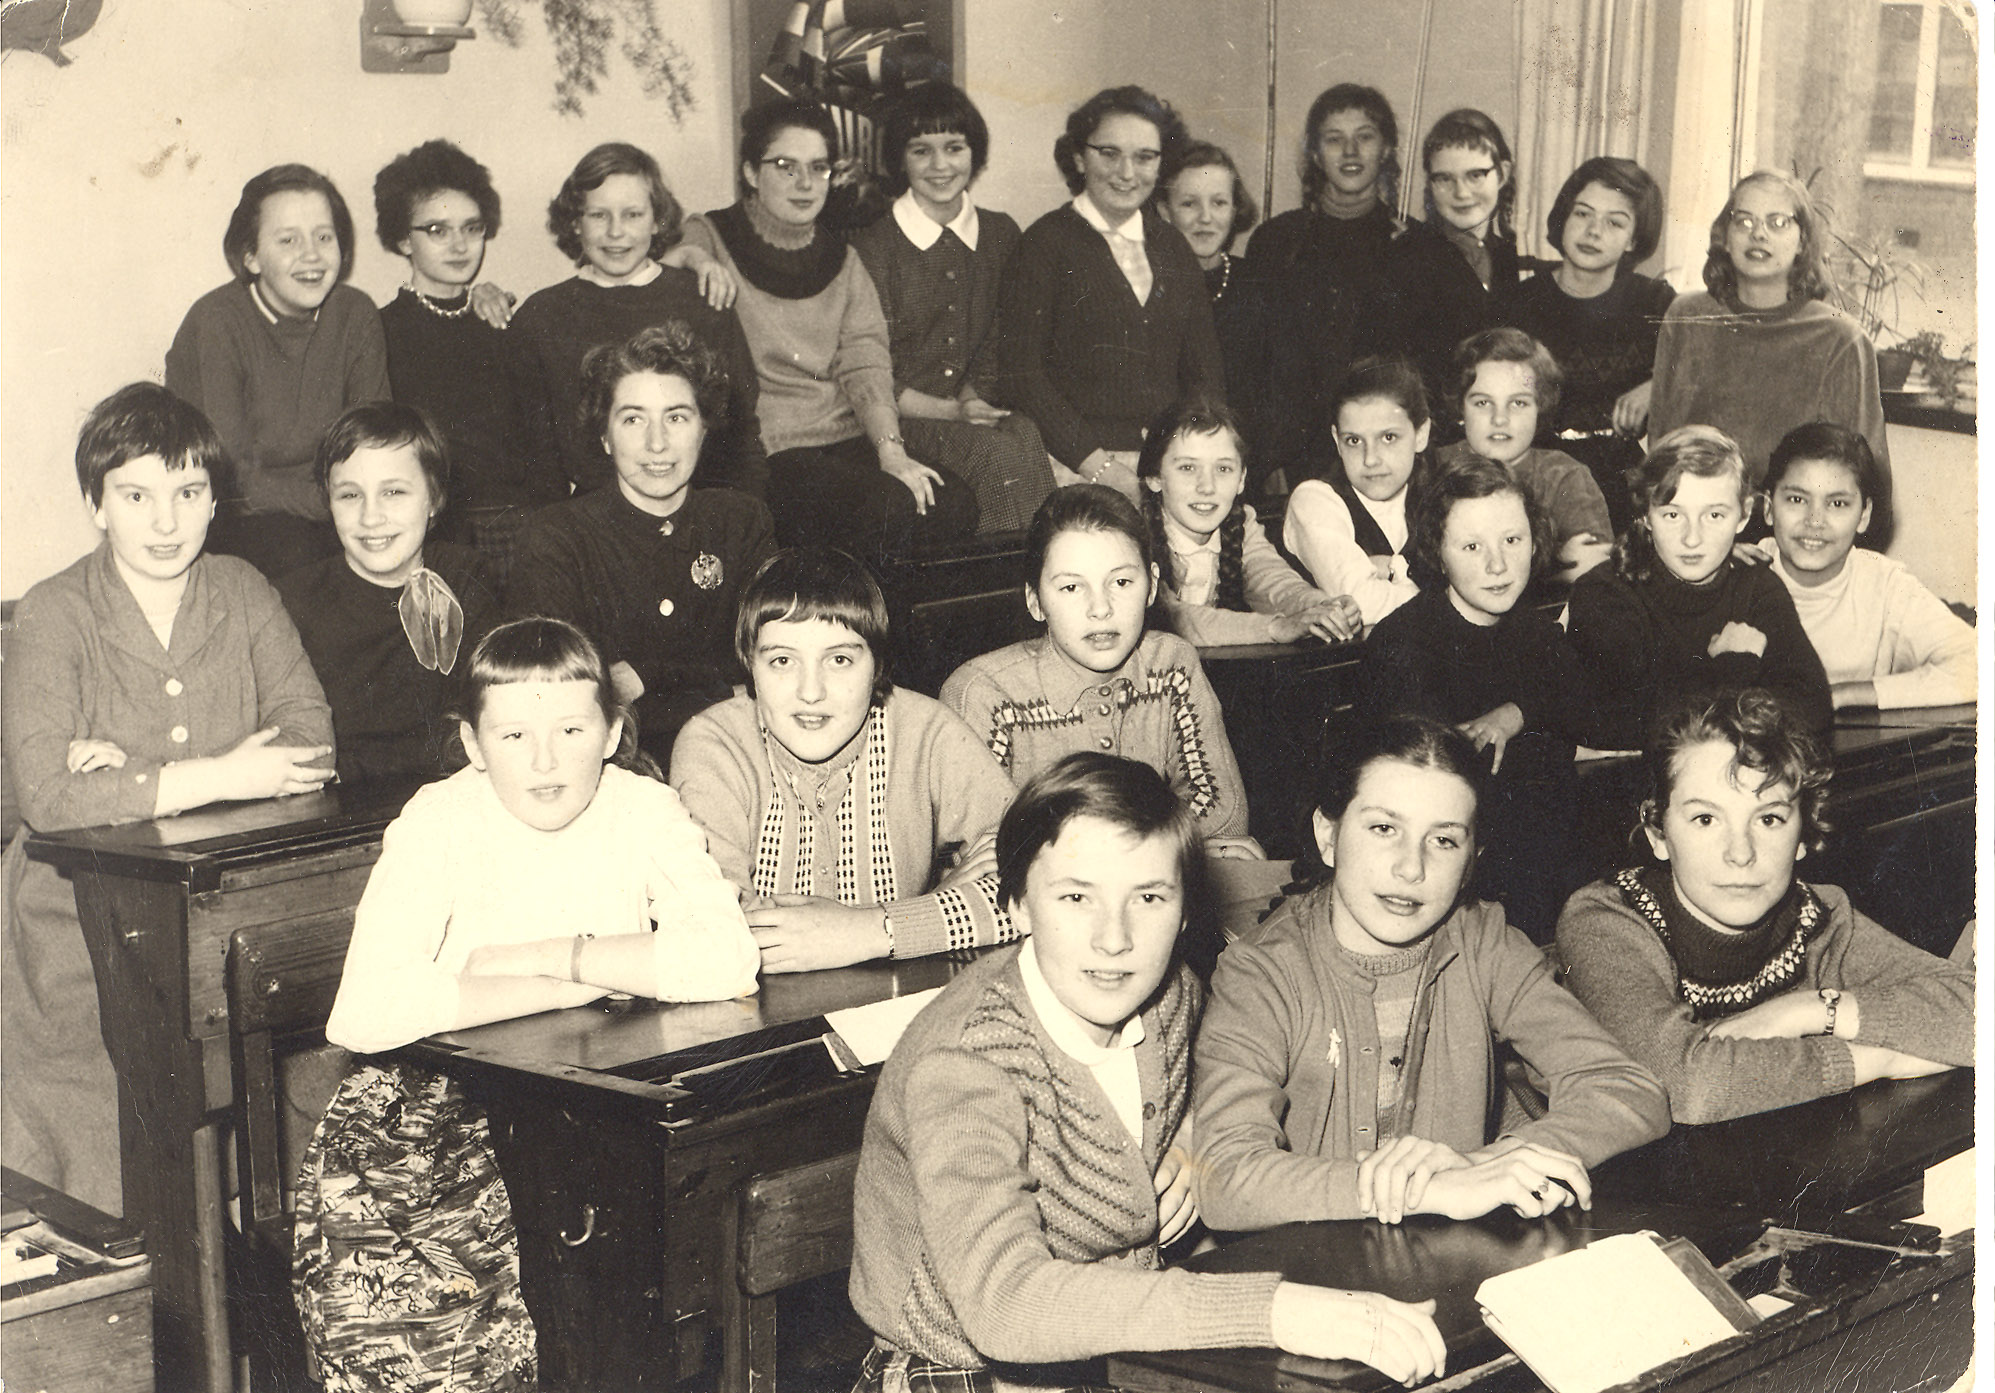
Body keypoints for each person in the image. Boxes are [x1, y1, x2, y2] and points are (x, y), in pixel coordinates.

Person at [846, 752, 1450, 1392]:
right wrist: (1274, 1310)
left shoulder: (1169, 997)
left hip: (1113, 1342)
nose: (1116, 939)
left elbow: (1197, 1092)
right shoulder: (967, 1062)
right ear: (1018, 905)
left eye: (1150, 897)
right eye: (1077, 896)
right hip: (961, 1365)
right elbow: (1006, 1304)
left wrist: (1191, 1140)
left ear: (1187, 910)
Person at [295, 616, 758, 1391]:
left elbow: (727, 958)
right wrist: (600, 976)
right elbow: (364, 1010)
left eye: (571, 728)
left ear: (610, 732)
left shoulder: (641, 806)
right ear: (473, 746)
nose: (544, 760)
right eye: (512, 737)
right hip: (428, 1109)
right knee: (432, 1326)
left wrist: (547, 958)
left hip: (584, 1101)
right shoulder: (439, 818)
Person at [2, 384, 333, 1215]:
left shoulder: (245, 588)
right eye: (136, 495)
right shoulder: (53, 611)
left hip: (227, 910)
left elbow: (310, 743)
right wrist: (224, 775)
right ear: (96, 506)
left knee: (292, 1090)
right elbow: (46, 797)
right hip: (76, 933)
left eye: (188, 493)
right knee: (108, 1151)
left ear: (214, 502)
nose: (164, 521)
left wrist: (124, 779)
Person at [1191, 715, 1670, 1231]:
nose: (1410, 868)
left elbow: (1628, 1088)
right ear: (1328, 836)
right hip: (1313, 1278)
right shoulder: (1262, 971)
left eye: (1443, 841)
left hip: (1446, 1260)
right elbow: (1224, 1178)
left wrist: (1491, 1163)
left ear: (1470, 862)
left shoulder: (1483, 941)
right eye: (1383, 829)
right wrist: (1428, 1189)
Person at [1555, 688, 1972, 1125]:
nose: (1741, 853)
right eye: (1705, 819)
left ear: (1802, 837)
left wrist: (1808, 1010)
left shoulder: (1821, 919)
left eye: (1769, 818)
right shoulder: (1604, 921)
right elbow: (1690, 1088)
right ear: (1659, 834)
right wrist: (1880, 1060)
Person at [670, 548, 1017, 973]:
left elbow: (1045, 882)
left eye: (840, 660)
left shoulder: (924, 729)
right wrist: (935, 910)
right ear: (749, 666)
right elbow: (715, 935)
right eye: (782, 660)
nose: (811, 691)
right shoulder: (715, 744)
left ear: (877, 668)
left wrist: (873, 930)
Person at [683, 99, 977, 557]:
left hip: (842, 437)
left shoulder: (842, 260)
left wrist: (891, 452)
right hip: (766, 450)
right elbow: (674, 249)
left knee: (953, 503)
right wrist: (697, 258)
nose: (805, 184)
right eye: (786, 166)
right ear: (748, 172)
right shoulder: (714, 235)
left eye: (818, 168)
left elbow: (867, 365)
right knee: (885, 509)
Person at [506, 323, 776, 767]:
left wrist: (643, 676)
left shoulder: (741, 522)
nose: (657, 443)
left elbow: (771, 667)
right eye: (633, 419)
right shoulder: (555, 537)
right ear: (604, 436)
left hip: (738, 757)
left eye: (677, 417)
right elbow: (567, 702)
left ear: (704, 429)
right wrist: (720, 688)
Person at [940, 485, 1259, 860]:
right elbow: (990, 852)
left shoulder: (1172, 664)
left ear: (1152, 585)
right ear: (1035, 601)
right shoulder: (983, 694)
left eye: (1121, 582)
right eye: (1072, 587)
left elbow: (1223, 817)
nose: (1101, 608)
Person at [1356, 458, 1596, 940]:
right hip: (1451, 872)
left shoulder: (1534, 630)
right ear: (1439, 554)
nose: (1497, 564)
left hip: (1541, 861)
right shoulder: (1402, 644)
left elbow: (1582, 704)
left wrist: (1516, 713)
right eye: (1471, 546)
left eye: (1512, 540)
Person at [992, 85, 1224, 497]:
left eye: (1144, 157)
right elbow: (1021, 377)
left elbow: (1204, 373)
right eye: (1109, 153)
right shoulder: (1043, 243)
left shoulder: (1173, 247)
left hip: (1169, 465)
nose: (1127, 173)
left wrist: (1188, 459)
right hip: (1071, 466)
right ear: (1080, 157)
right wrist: (1102, 469)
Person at [165, 164, 391, 578]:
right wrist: (336, 502)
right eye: (288, 240)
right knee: (299, 551)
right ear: (250, 256)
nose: (311, 255)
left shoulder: (355, 313)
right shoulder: (217, 320)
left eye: (324, 237)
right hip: (237, 517)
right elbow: (230, 476)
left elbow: (373, 442)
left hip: (333, 507)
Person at [506, 142, 764, 502]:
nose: (616, 232)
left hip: (699, 508)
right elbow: (538, 459)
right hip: (594, 520)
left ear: (657, 221)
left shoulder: (701, 300)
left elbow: (740, 433)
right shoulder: (541, 317)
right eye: (598, 215)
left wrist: (743, 521)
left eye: (632, 215)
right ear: (575, 223)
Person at [850, 82, 1053, 533]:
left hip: (969, 407)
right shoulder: (873, 245)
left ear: (974, 154)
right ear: (900, 160)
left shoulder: (1001, 234)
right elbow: (868, 367)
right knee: (994, 454)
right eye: (921, 151)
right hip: (899, 419)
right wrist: (951, 412)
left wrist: (972, 397)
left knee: (1024, 433)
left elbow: (1002, 335)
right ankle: (1007, 589)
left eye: (954, 148)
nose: (940, 166)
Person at [1649, 170, 1892, 546]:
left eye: (1777, 222)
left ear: (1802, 242)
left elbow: (1863, 483)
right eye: (1743, 220)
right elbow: (1661, 452)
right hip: (1696, 530)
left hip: (1795, 538)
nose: (1758, 234)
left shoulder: (1840, 338)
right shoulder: (1687, 317)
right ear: (1724, 238)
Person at [1567, 426, 1832, 749]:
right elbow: (1617, 724)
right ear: (1646, 516)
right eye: (1673, 515)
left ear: (1744, 515)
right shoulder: (1604, 594)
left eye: (1715, 515)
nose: (1692, 538)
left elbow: (1811, 707)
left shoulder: (1756, 585)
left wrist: (1694, 697)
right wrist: (1734, 665)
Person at [275, 402, 497, 786]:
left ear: (435, 499)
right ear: (328, 501)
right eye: (349, 495)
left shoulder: (465, 578)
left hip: (452, 794)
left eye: (393, 492)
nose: (371, 517)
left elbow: (487, 721)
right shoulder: (292, 603)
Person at [372, 140, 532, 583]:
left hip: (518, 532)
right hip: (432, 531)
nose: (460, 245)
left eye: (472, 228)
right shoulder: (381, 332)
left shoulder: (500, 322)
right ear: (404, 238)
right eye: (438, 230)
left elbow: (540, 455)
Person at [1243, 84, 1405, 492]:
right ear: (1315, 154)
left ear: (1385, 148)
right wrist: (1267, 460)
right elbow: (1253, 368)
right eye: (1334, 139)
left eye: (1364, 136)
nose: (1350, 152)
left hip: (1385, 464)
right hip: (1293, 466)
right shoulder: (1275, 242)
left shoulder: (1414, 248)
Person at [1507, 156, 1675, 535]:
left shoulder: (1655, 302)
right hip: (1533, 475)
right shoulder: (1517, 304)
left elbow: (1702, 371)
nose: (1593, 231)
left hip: (1622, 481)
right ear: (1564, 218)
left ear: (1634, 238)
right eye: (1583, 214)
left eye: (1615, 222)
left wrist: (1655, 387)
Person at [1762, 421, 1975, 710]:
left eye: (1837, 504)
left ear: (1864, 515)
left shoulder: (1886, 586)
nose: (1814, 521)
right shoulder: (1737, 572)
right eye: (1797, 499)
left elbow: (1979, 664)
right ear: (1768, 508)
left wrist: (1843, 694)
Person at [1136, 393, 1358, 646]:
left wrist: (1322, 607)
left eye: (1223, 469)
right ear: (1154, 478)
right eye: (1188, 468)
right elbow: (1176, 618)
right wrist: (1275, 627)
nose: (1207, 487)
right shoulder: (1132, 533)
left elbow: (1274, 581)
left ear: (1241, 479)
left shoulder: (1241, 523)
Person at [1380, 109, 1524, 431]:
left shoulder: (1514, 258)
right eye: (1444, 179)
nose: (1461, 193)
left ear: (1502, 172)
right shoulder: (1405, 260)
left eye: (1475, 175)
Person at [1434, 327, 1613, 584]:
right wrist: (1556, 564)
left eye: (1518, 403)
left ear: (1540, 407)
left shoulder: (1564, 476)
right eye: (1483, 403)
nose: (1499, 419)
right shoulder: (1433, 467)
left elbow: (1593, 566)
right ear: (1460, 407)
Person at [1156, 143, 1269, 496]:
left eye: (1219, 202)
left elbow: (1282, 398)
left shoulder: (1262, 285)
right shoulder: (1147, 288)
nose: (1205, 217)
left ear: (1235, 209)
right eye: (1189, 204)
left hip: (1249, 470)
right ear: (1164, 211)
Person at [1282, 356, 1431, 625]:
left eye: (1388, 437)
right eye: (1353, 441)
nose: (1370, 459)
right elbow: (1362, 603)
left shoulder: (1442, 493)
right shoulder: (1315, 499)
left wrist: (1393, 571)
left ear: (1421, 434)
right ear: (1336, 441)